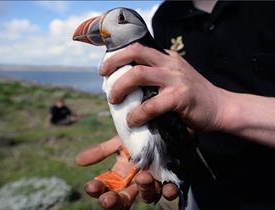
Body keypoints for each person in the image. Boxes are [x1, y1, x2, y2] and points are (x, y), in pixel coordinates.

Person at [76, 1, 275, 210]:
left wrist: (219, 107)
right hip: (204, 192)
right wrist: (143, 147)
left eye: (121, 19)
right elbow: (173, 105)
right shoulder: (166, 15)